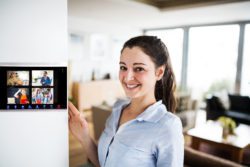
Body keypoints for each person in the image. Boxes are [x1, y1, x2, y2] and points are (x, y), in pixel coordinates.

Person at [68, 36, 184, 167]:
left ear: (159, 72)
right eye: (123, 67)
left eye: (139, 68)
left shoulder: (168, 126)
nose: (128, 77)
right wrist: (84, 136)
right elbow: (104, 163)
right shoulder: (118, 109)